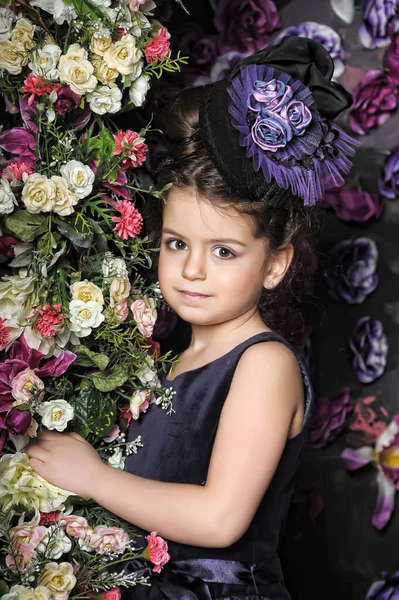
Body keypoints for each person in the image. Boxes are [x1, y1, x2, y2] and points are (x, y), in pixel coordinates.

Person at [26, 37, 358, 600]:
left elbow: (219, 519)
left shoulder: (264, 363)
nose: (193, 270)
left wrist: (93, 478)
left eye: (224, 251)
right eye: (178, 243)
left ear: (275, 265)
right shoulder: (176, 356)